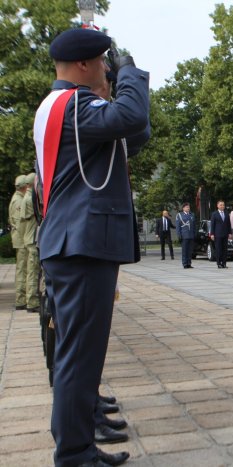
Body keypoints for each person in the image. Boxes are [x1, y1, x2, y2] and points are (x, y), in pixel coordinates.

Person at [34, 28, 149, 467]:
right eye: (103, 61)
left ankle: (78, 438)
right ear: (84, 65)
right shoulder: (73, 105)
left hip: (73, 241)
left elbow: (133, 134)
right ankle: (75, 453)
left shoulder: (59, 105)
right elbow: (132, 118)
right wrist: (131, 73)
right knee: (79, 357)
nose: (107, 66)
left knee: (78, 354)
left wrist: (117, 91)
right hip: (80, 243)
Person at [20, 173, 41, 312]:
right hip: (32, 238)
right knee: (33, 272)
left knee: (30, 271)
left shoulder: (25, 197)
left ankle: (30, 299)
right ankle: (32, 302)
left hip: (28, 238)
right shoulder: (30, 198)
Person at [9, 175, 29, 311]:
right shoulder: (18, 201)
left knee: (22, 269)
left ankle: (22, 298)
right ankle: (21, 299)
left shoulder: (19, 198)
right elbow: (19, 223)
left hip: (21, 239)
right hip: (21, 240)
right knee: (22, 269)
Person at [209, 200, 232, 268]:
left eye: (223, 205)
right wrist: (212, 234)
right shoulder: (214, 214)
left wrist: (230, 233)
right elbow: (212, 225)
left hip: (225, 234)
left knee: (225, 249)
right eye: (221, 205)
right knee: (218, 249)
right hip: (217, 234)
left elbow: (228, 224)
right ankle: (219, 263)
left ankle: (224, 263)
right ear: (217, 206)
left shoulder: (226, 213)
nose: (222, 206)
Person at [175, 203, 196, 269]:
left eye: (188, 207)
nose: (188, 208)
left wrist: (194, 234)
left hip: (191, 235)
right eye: (186, 207)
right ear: (183, 208)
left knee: (190, 251)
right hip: (184, 235)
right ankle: (185, 263)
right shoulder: (180, 215)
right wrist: (179, 235)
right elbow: (178, 226)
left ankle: (189, 263)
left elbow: (194, 225)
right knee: (185, 251)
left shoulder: (192, 215)